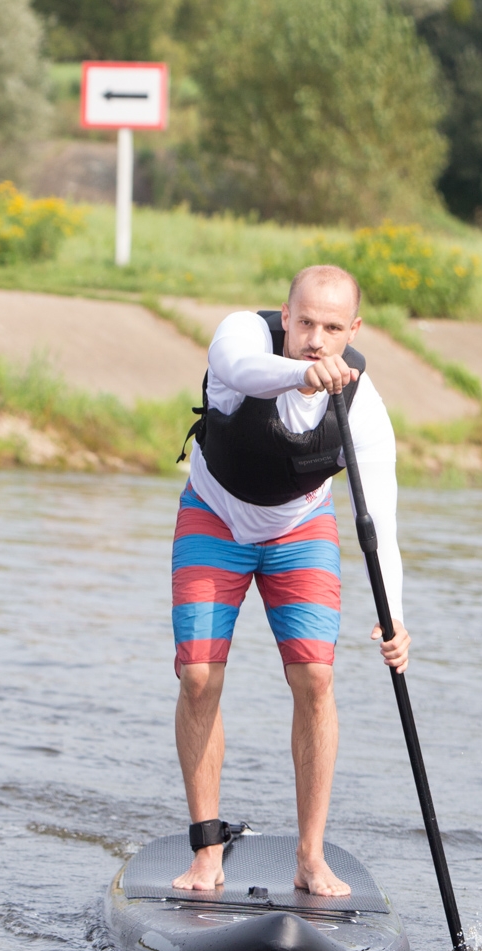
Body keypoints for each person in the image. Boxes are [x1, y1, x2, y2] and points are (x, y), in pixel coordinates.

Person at [169, 264, 410, 897]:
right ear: (285, 315)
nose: (315, 339)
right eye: (304, 323)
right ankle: (206, 851)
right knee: (198, 676)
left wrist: (394, 615)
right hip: (215, 516)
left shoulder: (363, 403)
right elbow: (242, 370)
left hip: (299, 530)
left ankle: (309, 856)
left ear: (353, 330)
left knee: (316, 678)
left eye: (332, 328)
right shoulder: (242, 337)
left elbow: (379, 520)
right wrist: (300, 376)